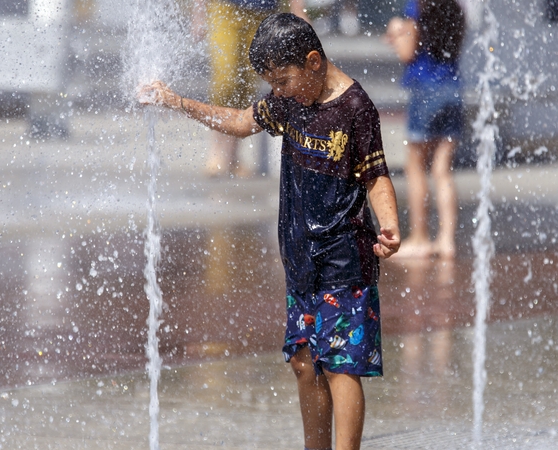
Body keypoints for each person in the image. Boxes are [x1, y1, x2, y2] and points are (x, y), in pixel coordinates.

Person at [139, 13, 400, 450]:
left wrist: (390, 224)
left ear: (314, 62)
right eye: (272, 83)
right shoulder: (291, 102)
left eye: (283, 80)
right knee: (303, 361)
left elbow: (375, 175)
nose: (277, 92)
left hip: (344, 259)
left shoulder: (355, 108)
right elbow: (242, 122)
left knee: (341, 365)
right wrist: (178, 102)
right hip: (300, 259)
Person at [384, 0, 465, 259]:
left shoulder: (416, 7)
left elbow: (408, 52)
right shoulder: (455, 8)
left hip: (426, 91)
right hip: (453, 89)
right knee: (442, 170)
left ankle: (420, 238)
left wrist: (397, 32)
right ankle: (446, 241)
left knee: (415, 165)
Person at [193, 0, 308, 178]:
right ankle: (216, 151)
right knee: (226, 79)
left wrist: (298, 9)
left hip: (265, 12)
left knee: (245, 84)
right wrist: (199, 12)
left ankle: (232, 155)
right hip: (226, 7)